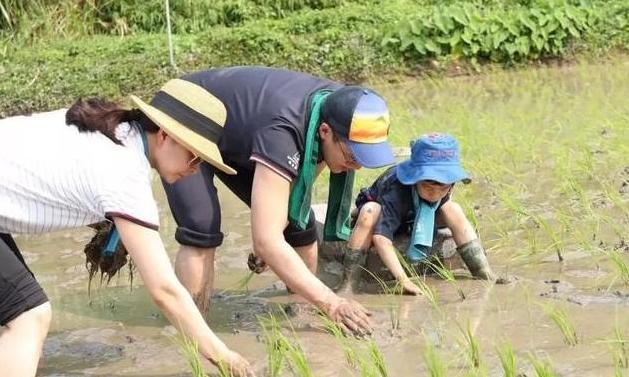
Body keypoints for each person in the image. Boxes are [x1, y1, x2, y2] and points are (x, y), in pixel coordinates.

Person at [0, 79, 255, 377]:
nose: (195, 168)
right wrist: (223, 356)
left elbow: (55, 177)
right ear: (164, 135)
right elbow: (165, 291)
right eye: (195, 156)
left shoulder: (112, 129)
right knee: (28, 316)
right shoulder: (125, 173)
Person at [159, 66, 396, 335]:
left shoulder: (336, 107)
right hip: (188, 115)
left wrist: (271, 236)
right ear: (326, 132)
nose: (356, 168)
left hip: (242, 133)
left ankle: (300, 315)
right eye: (352, 156)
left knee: (299, 226)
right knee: (202, 226)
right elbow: (267, 240)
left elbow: (296, 196)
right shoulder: (284, 132)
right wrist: (332, 301)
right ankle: (192, 331)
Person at [336, 133, 494, 295]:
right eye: (428, 188)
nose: (435, 194)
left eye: (443, 188)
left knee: (453, 209)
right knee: (370, 211)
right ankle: (349, 283)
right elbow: (381, 238)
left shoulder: (447, 186)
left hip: (418, 216)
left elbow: (445, 203)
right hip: (386, 213)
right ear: (415, 179)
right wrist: (404, 280)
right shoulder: (395, 188)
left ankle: (483, 272)